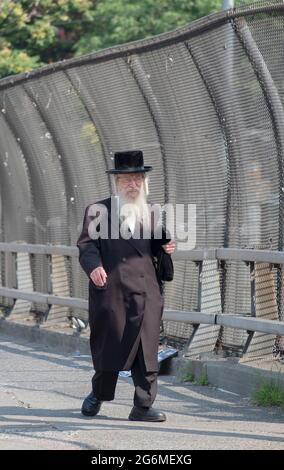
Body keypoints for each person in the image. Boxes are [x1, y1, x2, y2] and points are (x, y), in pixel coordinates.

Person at [77, 149, 175, 422]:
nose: (133, 185)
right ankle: (98, 394)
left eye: (138, 179)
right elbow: (87, 246)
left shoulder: (152, 212)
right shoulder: (99, 211)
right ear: (117, 182)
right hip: (112, 291)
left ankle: (142, 406)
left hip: (146, 292)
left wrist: (166, 246)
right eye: (127, 179)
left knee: (147, 350)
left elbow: (157, 245)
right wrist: (94, 267)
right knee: (111, 346)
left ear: (144, 182)